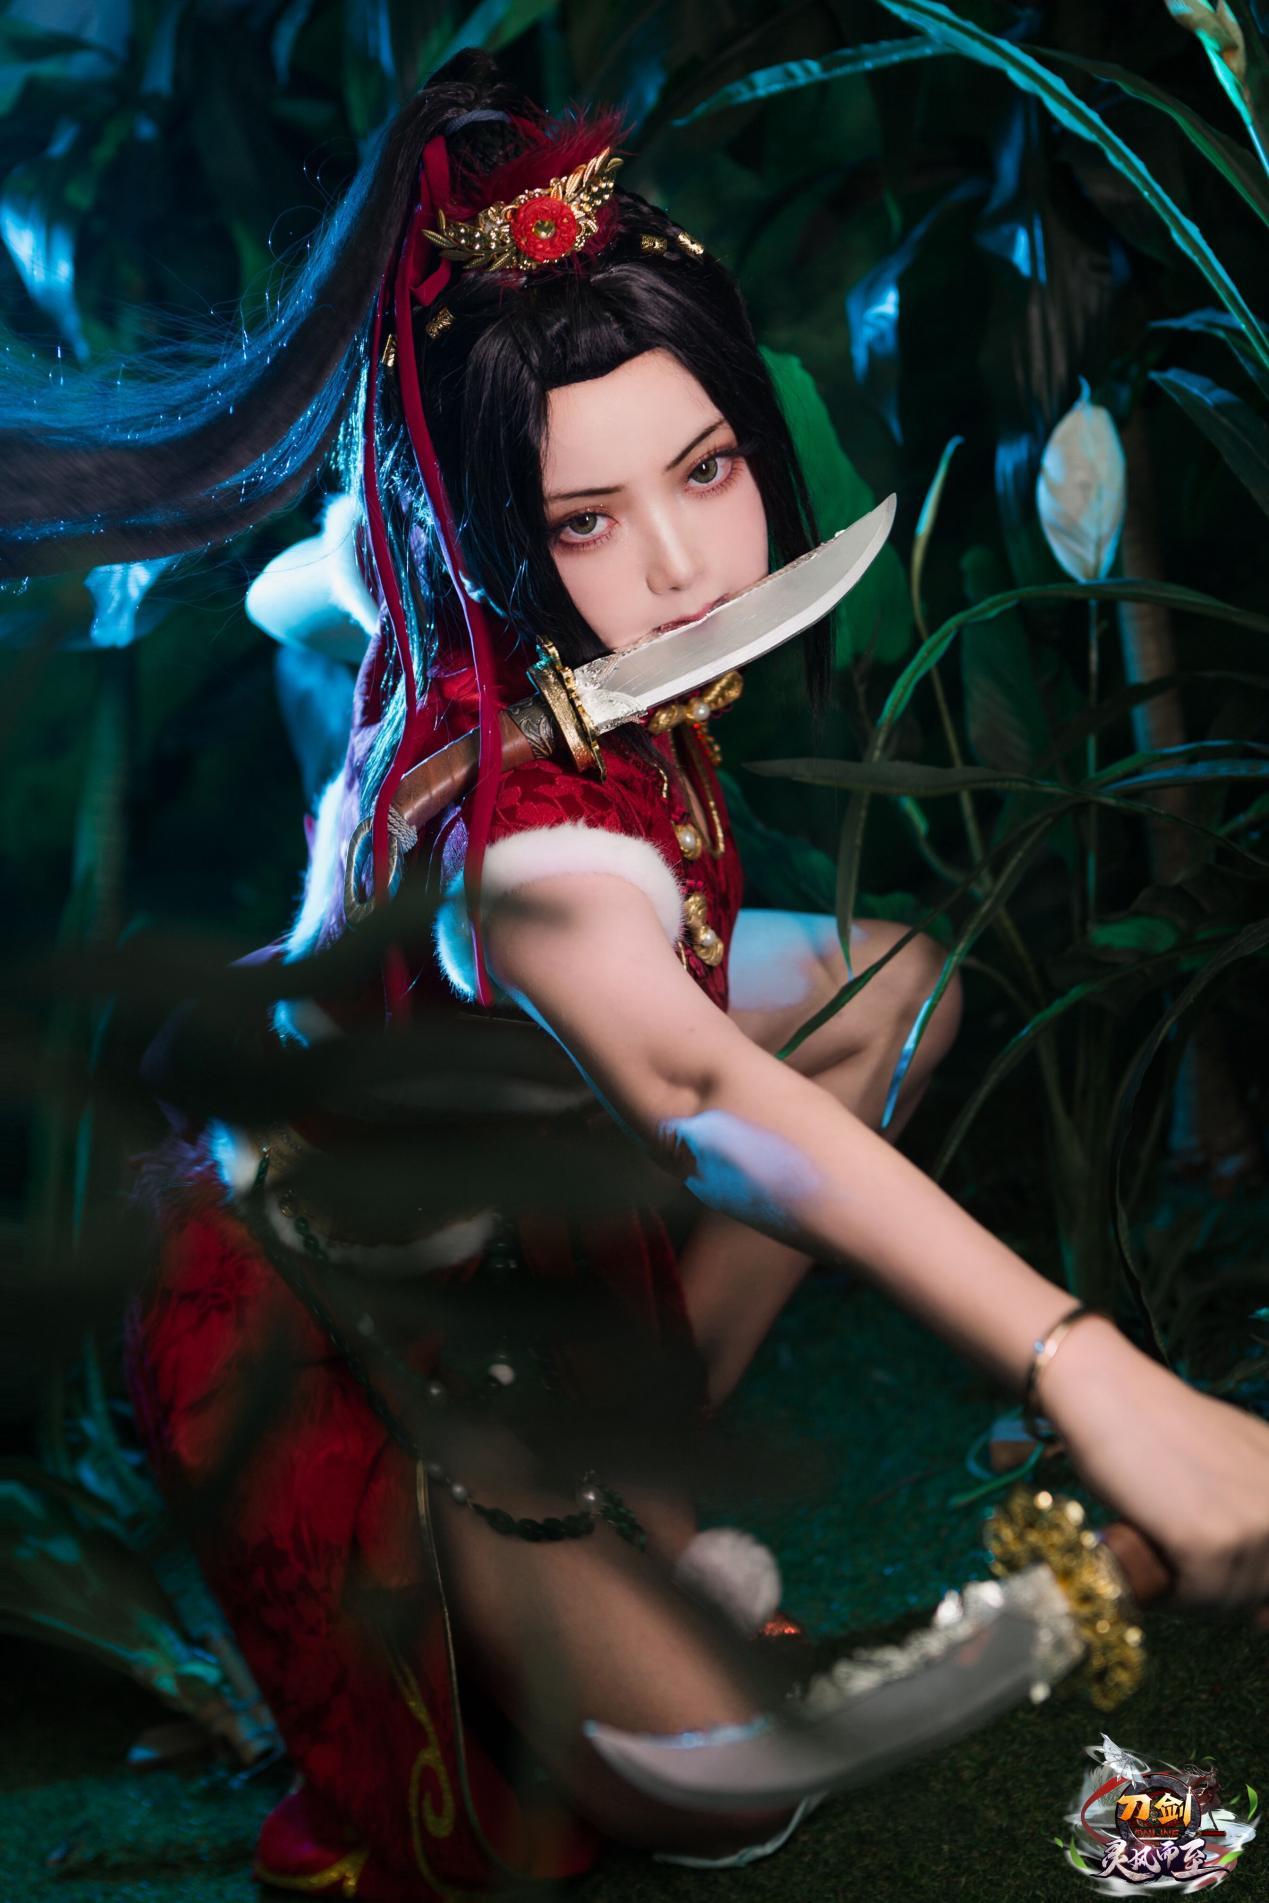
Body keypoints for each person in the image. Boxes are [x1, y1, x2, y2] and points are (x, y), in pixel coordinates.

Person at [7, 47, 1268, 1903]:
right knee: (720, 1784)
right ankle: (542, 1517)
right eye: (585, 521)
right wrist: (1095, 1375)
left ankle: (646, 1464)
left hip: (496, 1192)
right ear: (491, 534)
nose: (683, 568)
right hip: (335, 1329)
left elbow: (318, 593)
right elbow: (684, 1085)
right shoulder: (534, 858)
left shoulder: (463, 605)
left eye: (709, 468)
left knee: (889, 990)